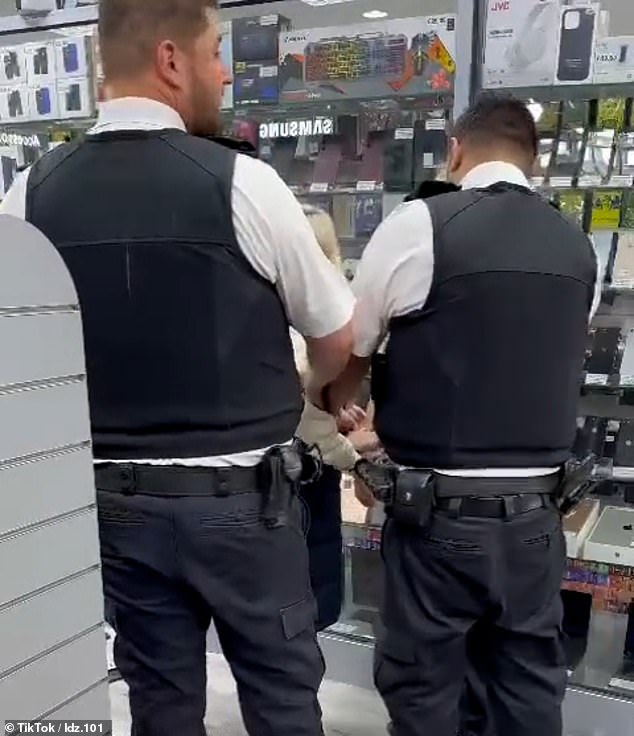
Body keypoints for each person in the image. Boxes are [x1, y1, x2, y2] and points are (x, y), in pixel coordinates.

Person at [0, 1, 355, 735]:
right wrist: (311, 388)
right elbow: (337, 335)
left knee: (160, 702)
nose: (223, 72)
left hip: (111, 506)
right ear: (171, 60)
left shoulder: (30, 193)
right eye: (215, 52)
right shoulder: (242, 184)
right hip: (244, 507)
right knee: (282, 698)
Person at [325, 93, 600, 736]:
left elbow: (354, 349)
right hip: (538, 519)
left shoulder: (421, 224)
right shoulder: (576, 245)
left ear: (454, 150)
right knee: (528, 681)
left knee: (424, 689)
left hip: (437, 517)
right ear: (534, 161)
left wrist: (341, 402)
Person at [294, 202, 378, 631]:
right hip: (298, 492)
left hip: (284, 490)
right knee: (305, 608)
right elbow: (309, 430)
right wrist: (354, 452)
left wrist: (333, 414)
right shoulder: (314, 323)